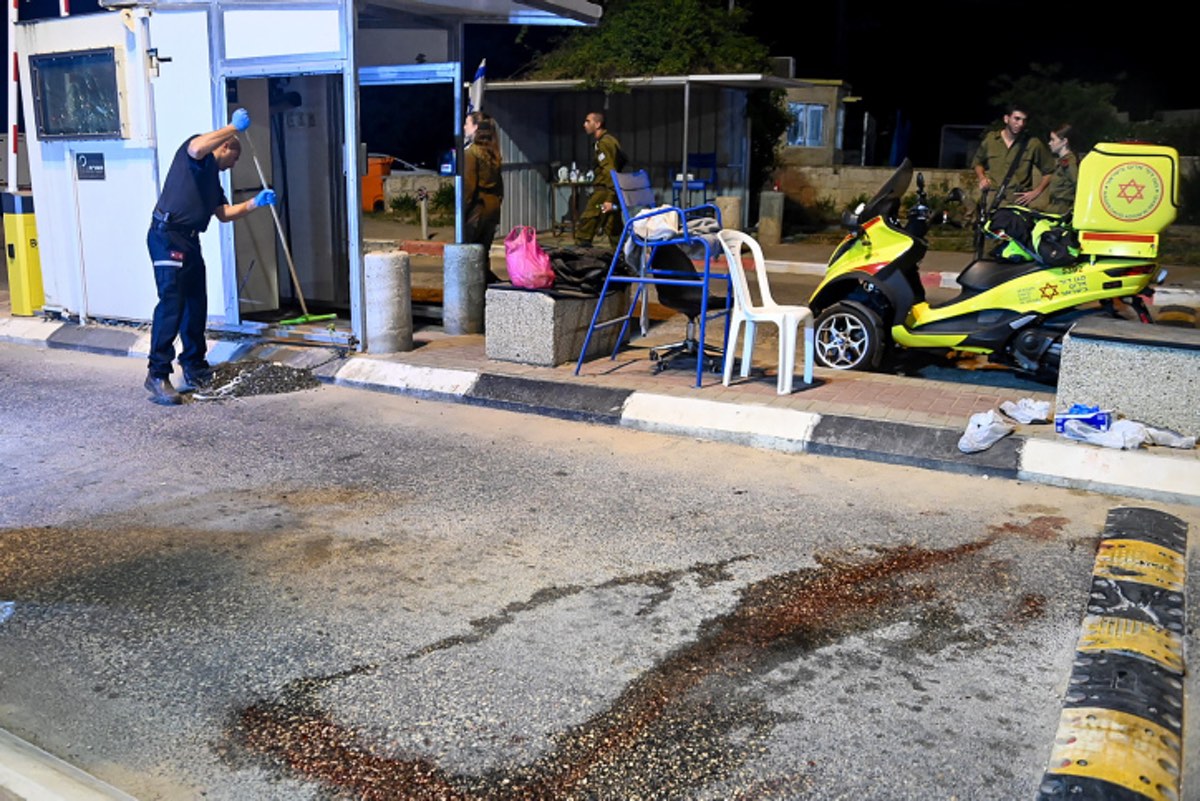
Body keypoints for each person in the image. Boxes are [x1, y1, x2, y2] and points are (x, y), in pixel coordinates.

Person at [144, 108, 277, 406]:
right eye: (235, 158)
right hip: (168, 236)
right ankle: (157, 374)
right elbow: (196, 147)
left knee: (195, 306)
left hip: (190, 241)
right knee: (172, 305)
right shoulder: (195, 154)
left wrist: (255, 203)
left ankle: (194, 366)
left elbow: (224, 215)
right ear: (226, 145)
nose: (234, 165)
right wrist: (233, 126)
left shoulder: (212, 182)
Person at [971, 104, 1056, 209]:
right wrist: (982, 178)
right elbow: (977, 162)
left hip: (1018, 202)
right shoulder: (991, 140)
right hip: (993, 201)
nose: (1020, 124)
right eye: (1017, 119)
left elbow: (1049, 171)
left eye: (1024, 120)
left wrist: (1035, 192)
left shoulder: (1032, 143)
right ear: (1006, 119)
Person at [462, 111, 504, 282]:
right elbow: (500, 186)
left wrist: (462, 212)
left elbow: (469, 187)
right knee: (483, 253)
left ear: (476, 128)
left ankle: (473, 292)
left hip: (477, 209)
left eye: (467, 123)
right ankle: (485, 290)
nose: (464, 127)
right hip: (492, 208)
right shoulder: (493, 152)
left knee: (470, 254)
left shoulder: (471, 153)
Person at [574, 111, 624, 249]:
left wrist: (609, 197)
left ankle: (581, 256)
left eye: (588, 121)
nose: (584, 125)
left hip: (604, 192)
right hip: (611, 190)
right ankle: (623, 259)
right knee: (613, 227)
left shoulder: (603, 144)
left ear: (597, 124)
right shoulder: (611, 140)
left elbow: (609, 171)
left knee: (588, 221)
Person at [1044, 123, 1079, 215]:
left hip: (1062, 210)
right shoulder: (1062, 162)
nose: (1050, 143)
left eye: (1053, 140)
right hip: (1055, 208)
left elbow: (1078, 185)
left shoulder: (1070, 163)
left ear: (1064, 142)